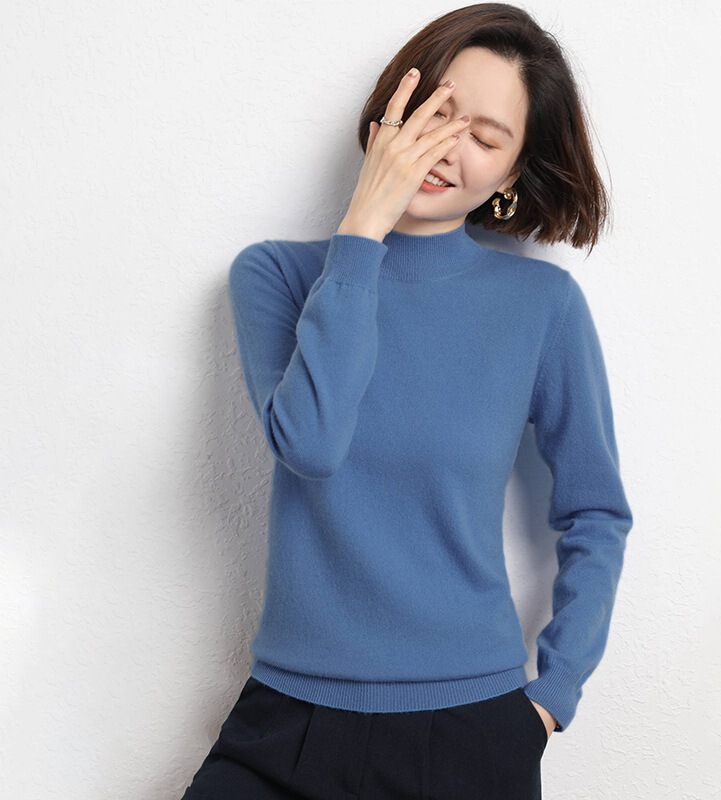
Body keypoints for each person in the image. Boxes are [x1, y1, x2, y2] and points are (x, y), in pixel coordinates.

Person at [182, 3, 633, 798]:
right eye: (435, 112)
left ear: (512, 176)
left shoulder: (542, 306)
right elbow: (312, 444)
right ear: (393, 106)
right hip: (287, 720)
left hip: (469, 730)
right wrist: (362, 229)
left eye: (485, 138)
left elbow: (596, 513)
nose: (445, 146)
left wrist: (553, 695)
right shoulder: (276, 275)